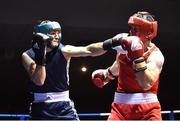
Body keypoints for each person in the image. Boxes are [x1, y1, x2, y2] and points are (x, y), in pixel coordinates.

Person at [21, 20, 106, 120]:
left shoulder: (64, 50)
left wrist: (111, 43)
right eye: (53, 33)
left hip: (63, 107)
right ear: (42, 34)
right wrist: (41, 55)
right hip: (40, 108)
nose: (57, 36)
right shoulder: (27, 55)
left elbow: (89, 50)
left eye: (58, 33)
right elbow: (39, 81)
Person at [92, 11, 164, 120]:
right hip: (120, 108)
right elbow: (118, 66)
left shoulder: (156, 55)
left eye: (136, 29)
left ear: (148, 32)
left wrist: (137, 57)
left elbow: (145, 84)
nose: (131, 32)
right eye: (131, 28)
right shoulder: (124, 46)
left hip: (148, 110)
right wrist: (106, 75)